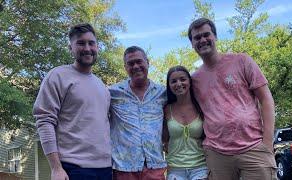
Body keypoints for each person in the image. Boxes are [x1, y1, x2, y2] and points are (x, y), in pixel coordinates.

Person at [188, 17, 277, 180]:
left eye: (206, 35)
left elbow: (266, 99)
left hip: (254, 148)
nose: (202, 40)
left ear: (215, 37)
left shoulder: (242, 60)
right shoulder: (194, 80)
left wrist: (268, 142)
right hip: (216, 154)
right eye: (197, 38)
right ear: (192, 44)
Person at [33, 23, 112, 180]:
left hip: (105, 169)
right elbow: (44, 121)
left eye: (92, 43)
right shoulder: (58, 76)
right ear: (71, 48)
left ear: (97, 47)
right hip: (72, 169)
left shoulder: (102, 87)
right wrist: (56, 168)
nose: (87, 48)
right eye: (81, 43)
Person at [109, 46, 166, 180]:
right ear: (125, 67)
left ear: (148, 62)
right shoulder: (112, 93)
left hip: (155, 166)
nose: (135, 66)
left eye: (139, 61)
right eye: (130, 63)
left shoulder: (163, 93)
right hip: (123, 168)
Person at [163, 65, 208, 180]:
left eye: (182, 79)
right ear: (169, 85)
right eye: (173, 81)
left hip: (201, 167)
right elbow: (164, 140)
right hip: (175, 169)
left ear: (189, 81)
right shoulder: (166, 109)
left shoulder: (201, 106)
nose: (178, 84)